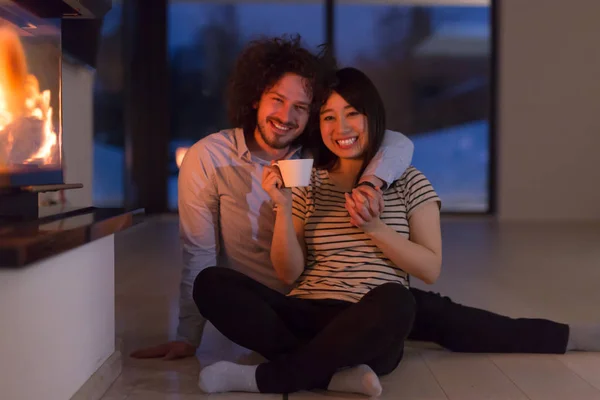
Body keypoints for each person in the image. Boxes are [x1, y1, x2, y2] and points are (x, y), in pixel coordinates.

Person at [192, 67, 600, 396]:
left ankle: (269, 379)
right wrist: (282, 207)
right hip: (307, 310)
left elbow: (430, 268)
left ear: (373, 116)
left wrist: (374, 227)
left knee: (401, 301)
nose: (341, 126)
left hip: (371, 320)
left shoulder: (408, 181)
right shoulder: (306, 183)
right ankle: (331, 375)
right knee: (211, 283)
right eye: (329, 117)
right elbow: (288, 274)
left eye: (352, 112)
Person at [129, 35, 415, 361]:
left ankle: (308, 362)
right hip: (265, 307)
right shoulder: (208, 157)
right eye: (277, 99)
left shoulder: (316, 154)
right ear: (255, 98)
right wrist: (188, 337)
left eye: (301, 107)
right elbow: (198, 252)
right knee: (210, 283)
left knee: (414, 305)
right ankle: (328, 361)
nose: (285, 116)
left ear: (312, 114)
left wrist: (370, 183)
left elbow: (397, 142)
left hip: (328, 299)